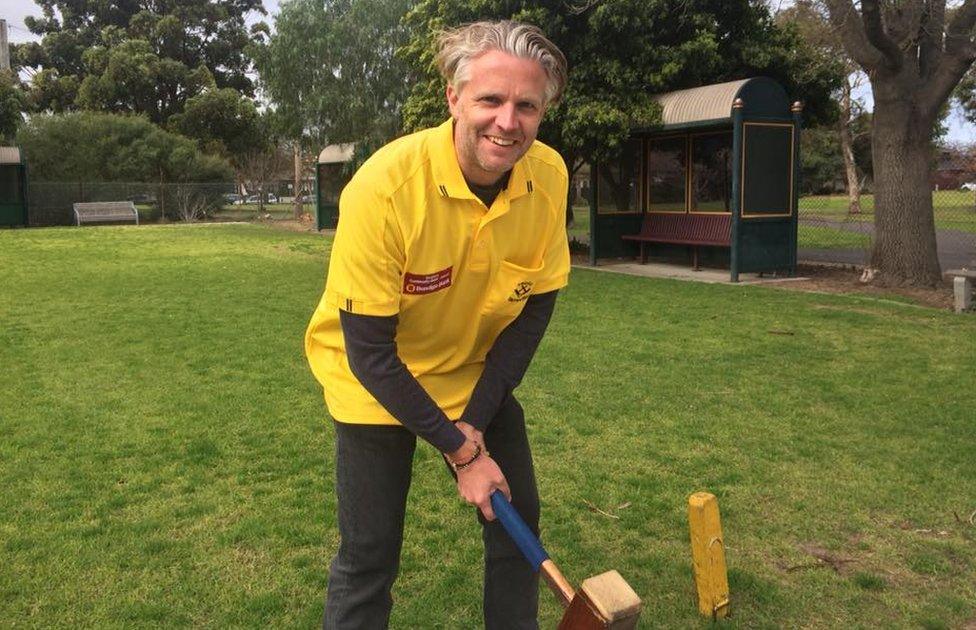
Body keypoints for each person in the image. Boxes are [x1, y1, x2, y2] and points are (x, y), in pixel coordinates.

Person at [304, 20, 570, 630]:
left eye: (526, 105)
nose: (508, 121)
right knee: (369, 556)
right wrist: (460, 452)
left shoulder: (548, 176)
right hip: (373, 384)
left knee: (516, 524)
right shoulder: (385, 188)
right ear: (454, 98)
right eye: (491, 100)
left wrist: (473, 424)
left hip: (475, 376)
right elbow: (370, 352)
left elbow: (534, 312)